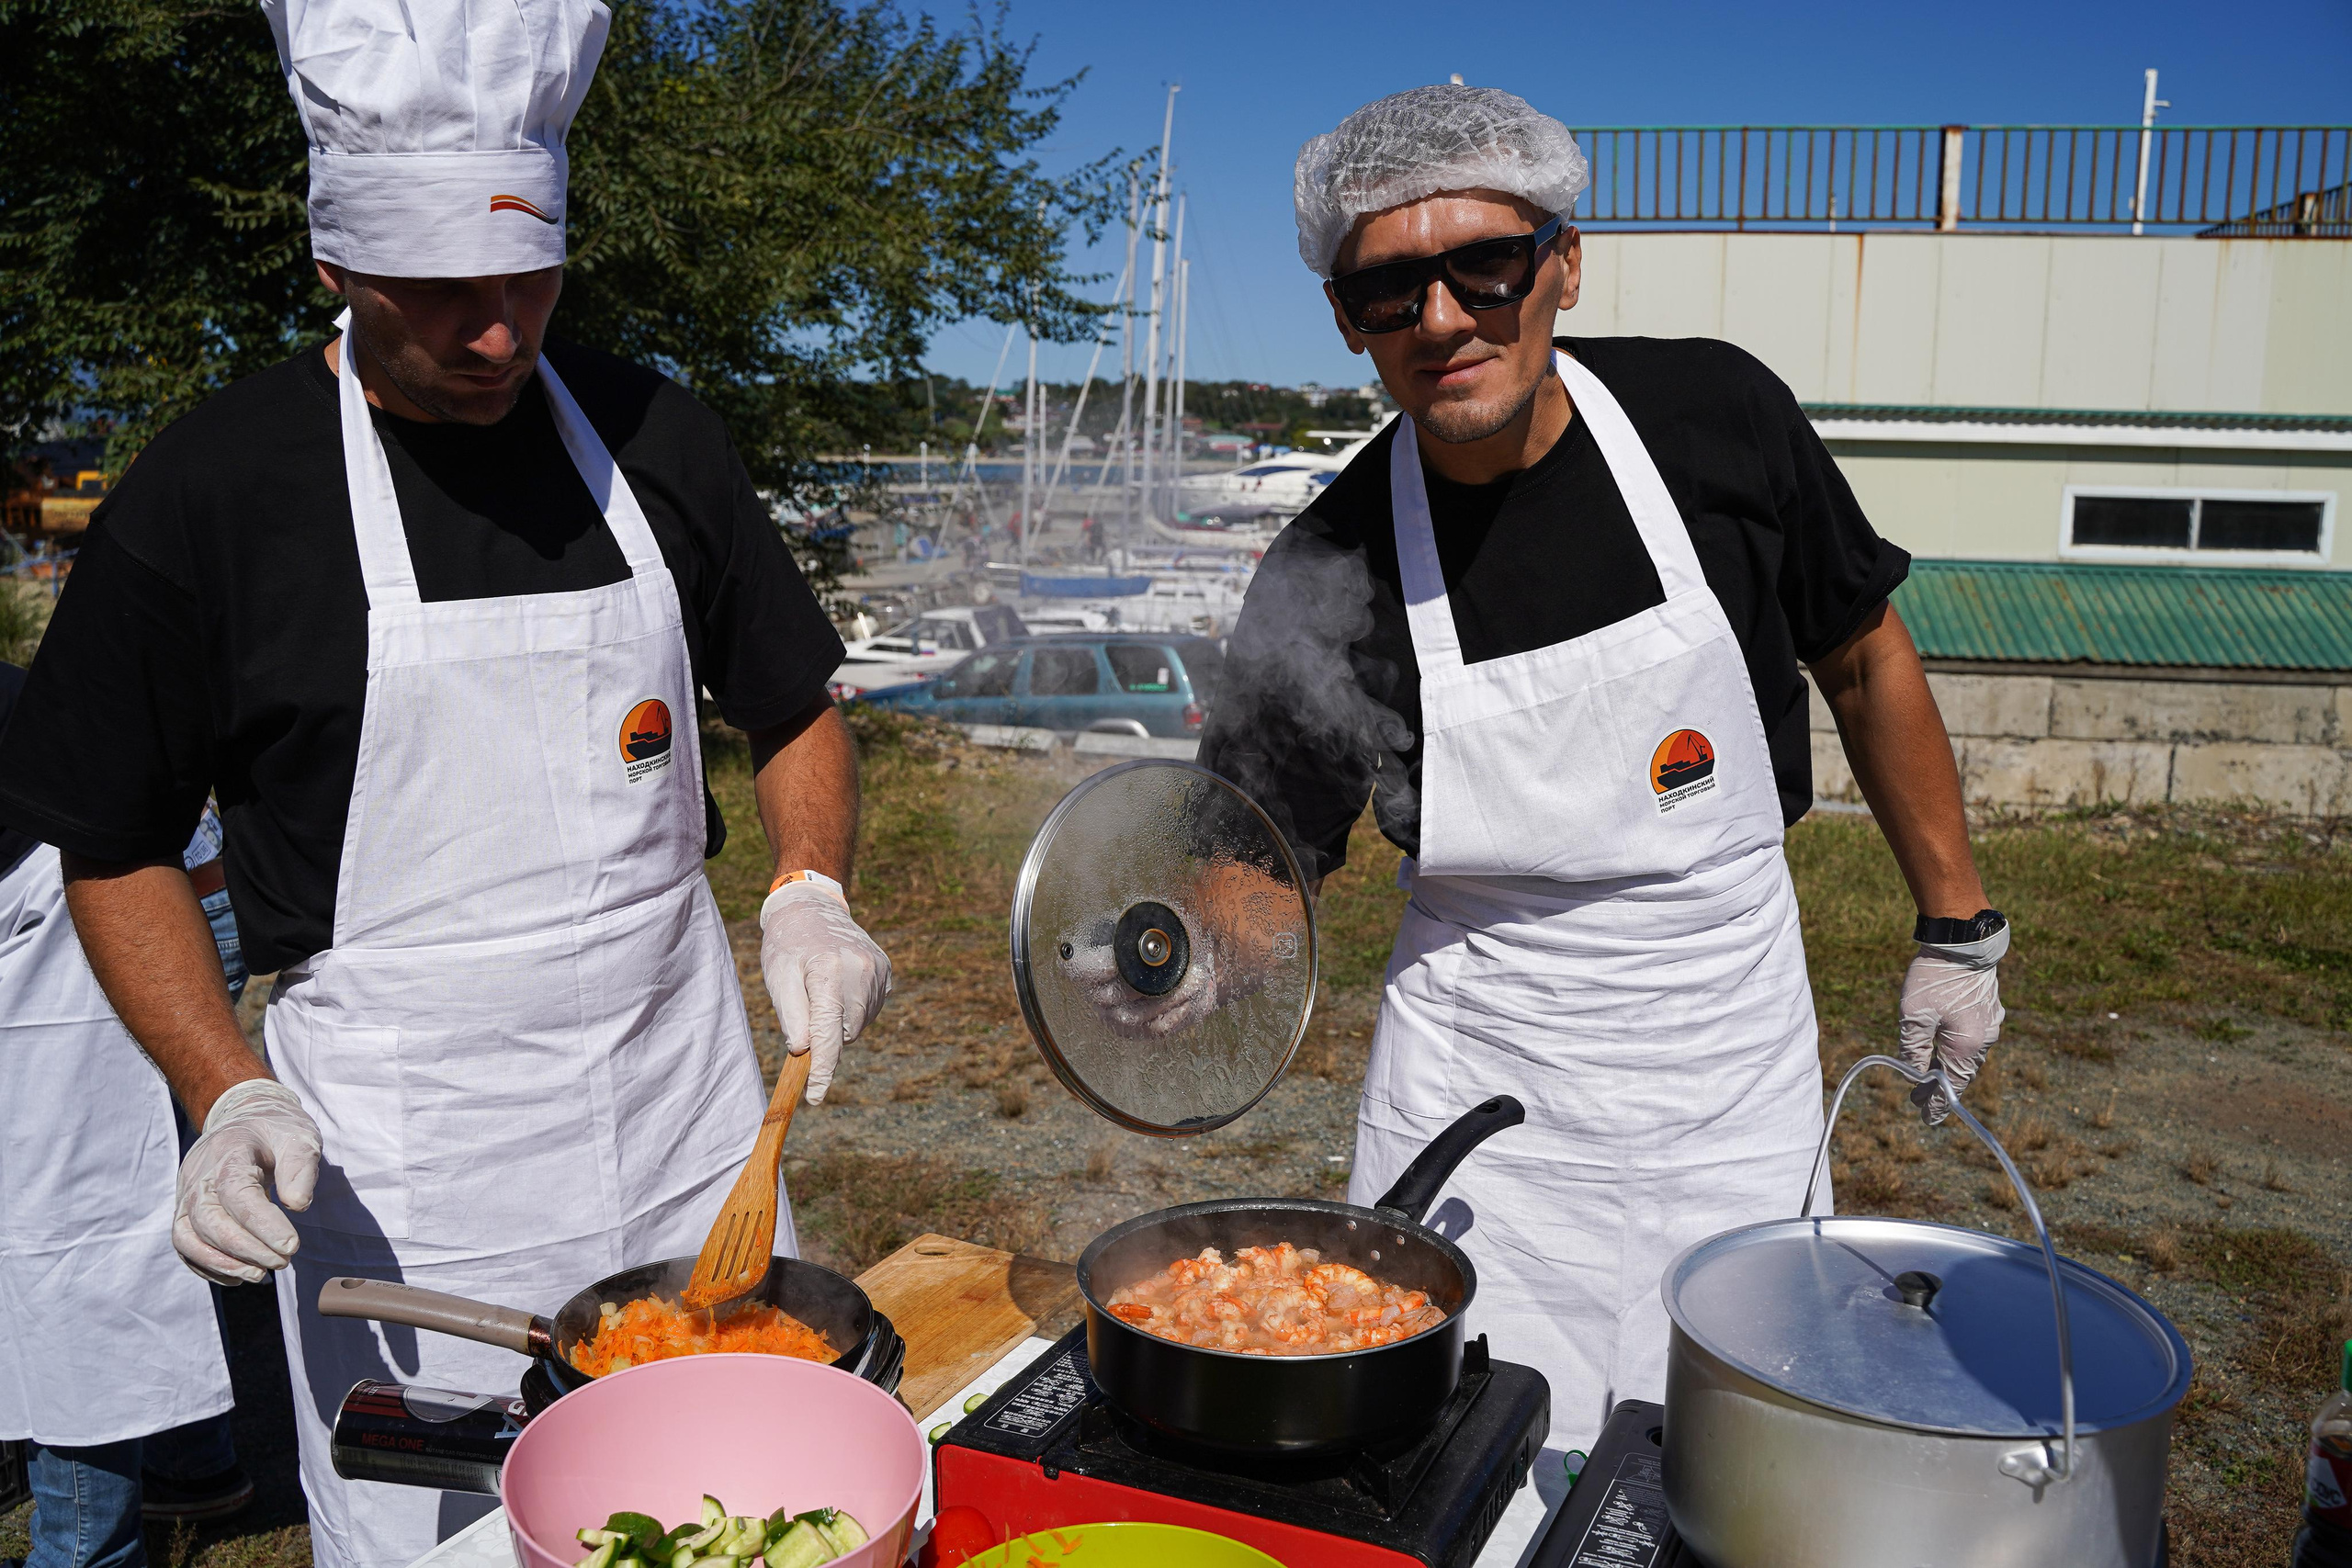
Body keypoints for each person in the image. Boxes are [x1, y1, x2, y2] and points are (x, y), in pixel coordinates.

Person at [0, 3, 891, 1565]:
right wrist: (222, 1086)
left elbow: (789, 705)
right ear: (335, 265)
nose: (498, 335)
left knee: (743, 1506)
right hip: (410, 1173)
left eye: (528, 279)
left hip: (687, 1115)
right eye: (441, 294)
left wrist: (810, 885)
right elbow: (115, 841)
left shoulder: (655, 435)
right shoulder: (214, 492)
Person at [1195, 85, 2009, 1451]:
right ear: (1346, 319)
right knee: (1467, 1460)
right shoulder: (1328, 566)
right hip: (1475, 1090)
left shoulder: (1715, 419)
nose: (1441, 318)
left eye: (1485, 265)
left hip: (1728, 1050)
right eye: (1389, 289)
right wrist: (1193, 959)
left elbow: (1863, 655)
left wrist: (1957, 924)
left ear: (1562, 263)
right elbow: (1259, 857)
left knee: (1740, 1448)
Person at [0, 669, 254, 1568]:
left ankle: (85, 1550)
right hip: (157, 881)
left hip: (104, 905)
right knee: (146, 1198)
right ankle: (193, 1463)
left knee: (76, 1238)